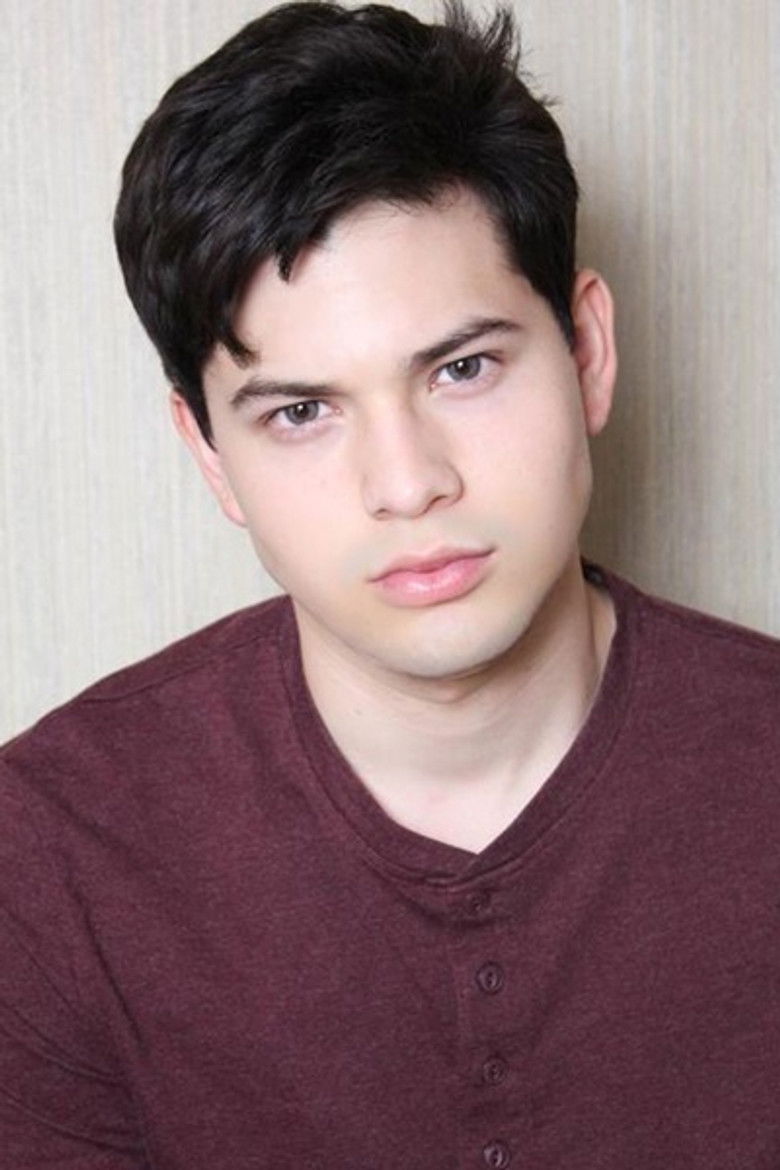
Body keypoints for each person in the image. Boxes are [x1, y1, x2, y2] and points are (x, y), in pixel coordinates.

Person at [2, 2, 779, 1166]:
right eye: (301, 413)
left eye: (464, 369)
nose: (408, 483)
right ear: (209, 454)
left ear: (587, 354)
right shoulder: (50, 856)